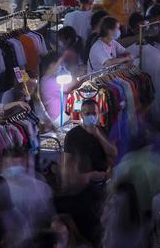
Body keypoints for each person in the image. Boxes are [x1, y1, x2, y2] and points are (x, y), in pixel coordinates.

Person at [62, 99, 117, 244]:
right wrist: (88, 176)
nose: (90, 116)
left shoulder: (102, 130)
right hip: (81, 189)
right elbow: (66, 167)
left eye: (93, 113)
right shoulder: (73, 135)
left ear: (98, 114)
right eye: (87, 114)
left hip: (101, 188)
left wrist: (97, 134)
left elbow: (113, 153)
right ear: (81, 115)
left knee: (101, 227)